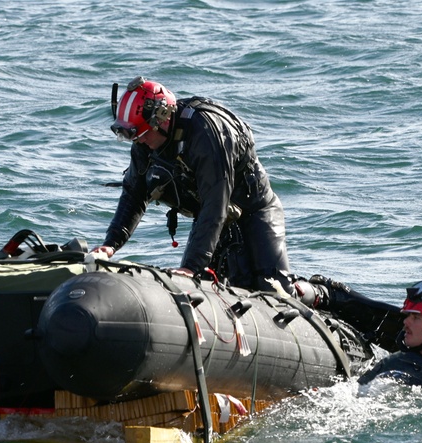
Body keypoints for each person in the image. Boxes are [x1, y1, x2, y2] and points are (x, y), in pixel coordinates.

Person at [93, 77, 291, 292]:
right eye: (135, 136)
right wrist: (110, 244)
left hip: (253, 211)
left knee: (275, 288)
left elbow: (216, 203)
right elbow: (134, 194)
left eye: (142, 134)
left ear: (162, 119)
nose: (139, 142)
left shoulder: (206, 135)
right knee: (205, 287)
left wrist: (192, 265)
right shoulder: (144, 142)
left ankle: (317, 294)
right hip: (209, 219)